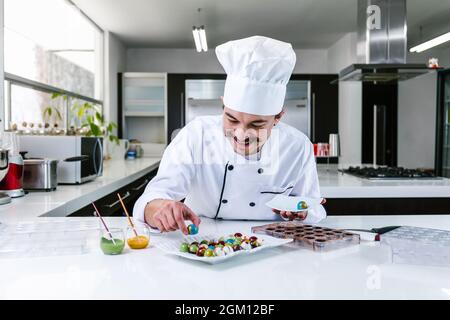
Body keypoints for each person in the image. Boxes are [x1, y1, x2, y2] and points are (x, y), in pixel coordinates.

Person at [133, 36, 326, 234]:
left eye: (257, 124)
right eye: (232, 120)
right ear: (223, 104)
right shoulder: (196, 134)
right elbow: (156, 195)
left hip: (274, 245)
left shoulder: (297, 146)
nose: (241, 134)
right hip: (202, 242)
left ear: (278, 117)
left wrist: (303, 213)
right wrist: (158, 208)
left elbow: (312, 206)